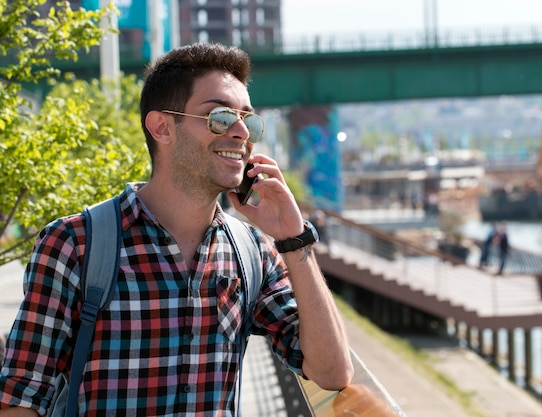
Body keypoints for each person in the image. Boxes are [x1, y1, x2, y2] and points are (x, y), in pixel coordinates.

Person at [0, 42, 353, 416]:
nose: (240, 133)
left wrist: (293, 240)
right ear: (162, 127)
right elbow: (21, 399)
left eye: (248, 121)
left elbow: (331, 372)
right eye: (219, 116)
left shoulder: (252, 252)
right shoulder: (75, 244)